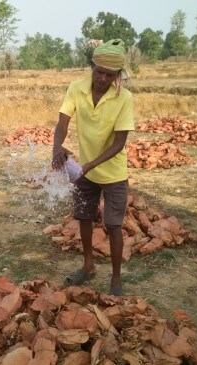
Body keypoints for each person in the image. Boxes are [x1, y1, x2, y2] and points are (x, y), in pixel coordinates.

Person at [51, 39, 135, 296]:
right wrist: (57, 147)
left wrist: (87, 166)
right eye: (99, 72)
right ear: (92, 66)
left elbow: (119, 143)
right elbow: (63, 122)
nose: (102, 78)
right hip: (85, 171)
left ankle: (116, 280)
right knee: (84, 218)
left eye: (109, 75)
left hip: (112, 173)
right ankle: (88, 267)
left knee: (113, 226)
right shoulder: (77, 89)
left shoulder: (124, 97)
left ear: (117, 75)